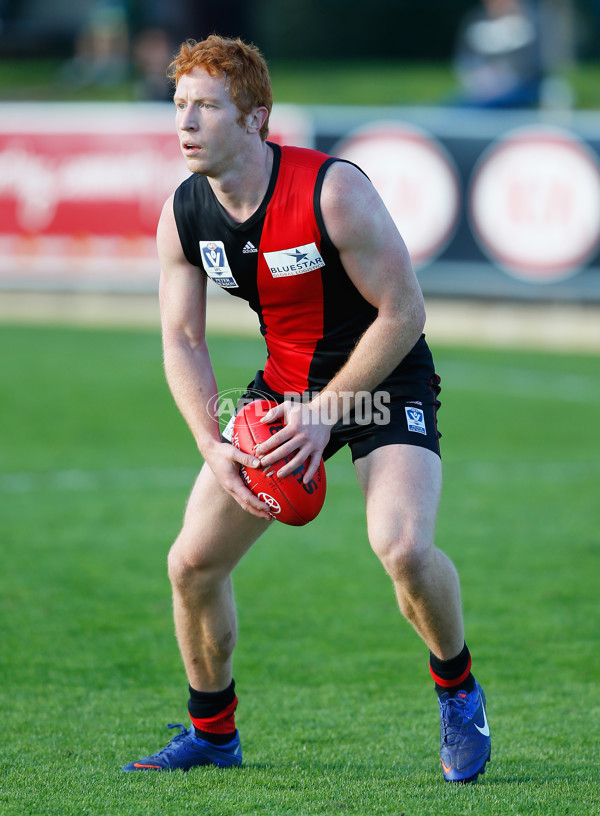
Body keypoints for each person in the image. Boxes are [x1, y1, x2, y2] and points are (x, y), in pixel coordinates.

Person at [121, 34, 491, 783]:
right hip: (285, 393)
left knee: (403, 548)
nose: (186, 124)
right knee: (191, 563)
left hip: (386, 381)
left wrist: (327, 412)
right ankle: (213, 733)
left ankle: (459, 693)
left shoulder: (333, 190)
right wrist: (211, 442)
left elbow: (404, 312)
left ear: (257, 117)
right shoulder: (185, 214)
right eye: (179, 106)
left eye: (208, 108)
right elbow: (183, 340)